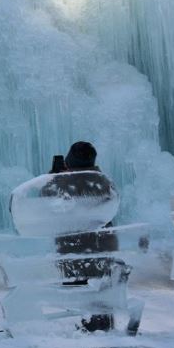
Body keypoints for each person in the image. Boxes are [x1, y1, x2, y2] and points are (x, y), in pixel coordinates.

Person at [44, 142, 121, 332]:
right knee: (100, 284)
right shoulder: (105, 183)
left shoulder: (62, 183)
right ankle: (103, 324)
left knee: (78, 283)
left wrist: (54, 176)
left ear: (68, 162)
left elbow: (44, 199)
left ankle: (85, 325)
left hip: (73, 256)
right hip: (104, 253)